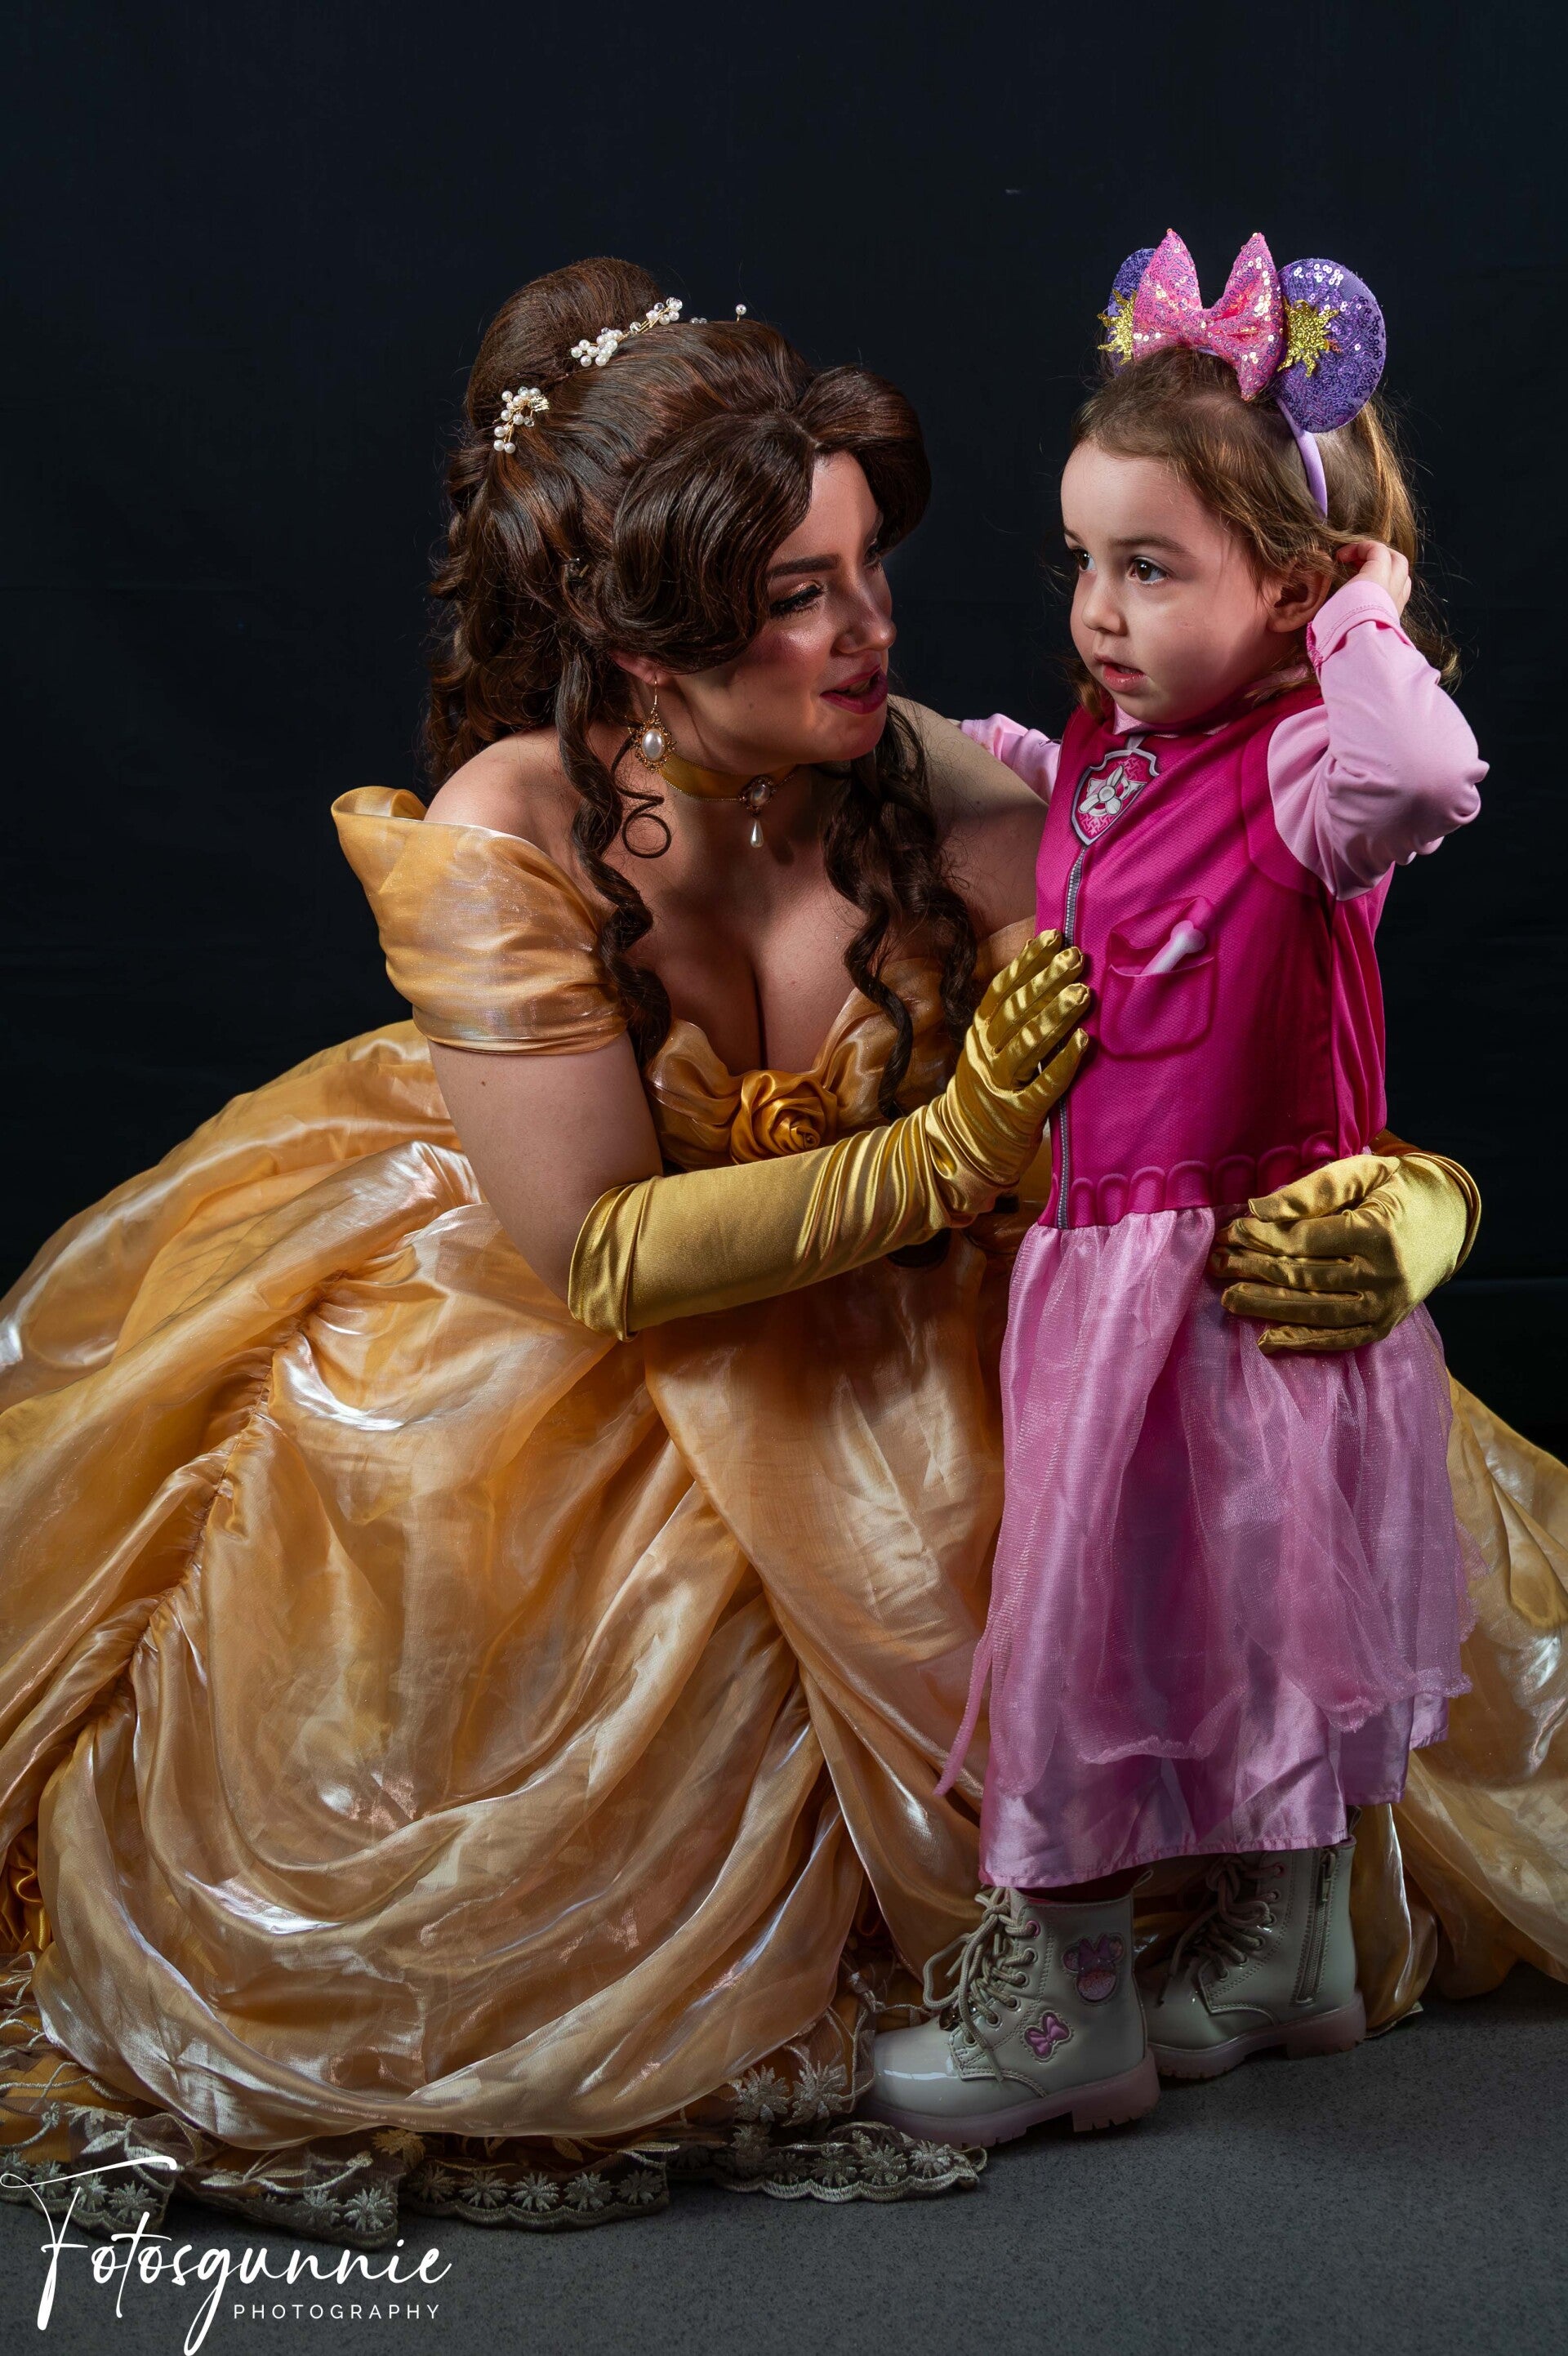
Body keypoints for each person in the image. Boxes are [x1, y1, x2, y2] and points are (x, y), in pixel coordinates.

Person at [0, 259, 1556, 2244]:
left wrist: (1419, 1204)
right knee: (419, 1597)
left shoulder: (936, 772)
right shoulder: (516, 827)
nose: (870, 627)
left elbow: (1222, 1020)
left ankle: (1218, 1945)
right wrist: (950, 1145)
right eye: (798, 594)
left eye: (867, 566)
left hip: (919, 1337)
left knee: (1185, 1520)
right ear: (635, 640)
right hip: (596, 1345)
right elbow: (593, 1249)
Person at [868, 232, 1491, 2145]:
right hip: (1110, 1296)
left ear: (1287, 586)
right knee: (1142, 1629)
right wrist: (873, 713)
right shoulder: (1116, 750)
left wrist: (1364, 602)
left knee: (1229, 1640)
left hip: (1250, 1301)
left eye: (1152, 568)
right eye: (1084, 562)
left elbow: (1432, 773)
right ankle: (1282, 1957)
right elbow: (1015, 786)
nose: (1099, 613)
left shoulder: (1312, 774)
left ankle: (1078, 2017)